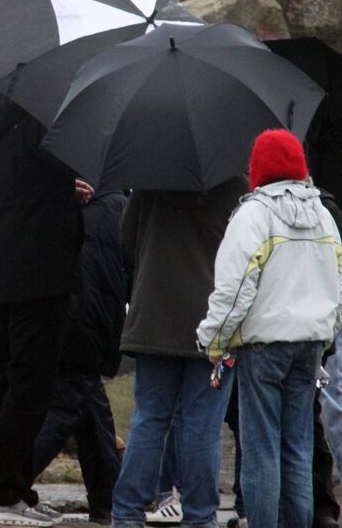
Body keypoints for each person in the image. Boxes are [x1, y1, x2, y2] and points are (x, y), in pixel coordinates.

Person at [197, 129, 342, 528]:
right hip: (310, 344)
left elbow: (235, 288)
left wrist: (214, 340)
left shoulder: (252, 215)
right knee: (298, 447)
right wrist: (327, 335)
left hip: (264, 347)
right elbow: (338, 282)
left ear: (257, 167)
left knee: (261, 449)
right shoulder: (324, 216)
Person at [0, 90, 83, 527]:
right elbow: (56, 172)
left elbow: (7, 190)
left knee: (13, 385)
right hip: (40, 275)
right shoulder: (44, 121)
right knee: (31, 390)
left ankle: (13, 492)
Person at [111, 174, 248, 528]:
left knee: (150, 418)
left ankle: (126, 513)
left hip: (153, 317)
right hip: (213, 322)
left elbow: (125, 237)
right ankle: (200, 517)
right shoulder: (235, 186)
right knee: (203, 425)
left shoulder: (151, 179)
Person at [32, 190, 128, 526]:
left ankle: (108, 501)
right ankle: (7, 487)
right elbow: (132, 268)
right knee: (67, 408)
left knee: (91, 414)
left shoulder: (64, 200)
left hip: (63, 316)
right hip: (93, 322)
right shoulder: (117, 207)